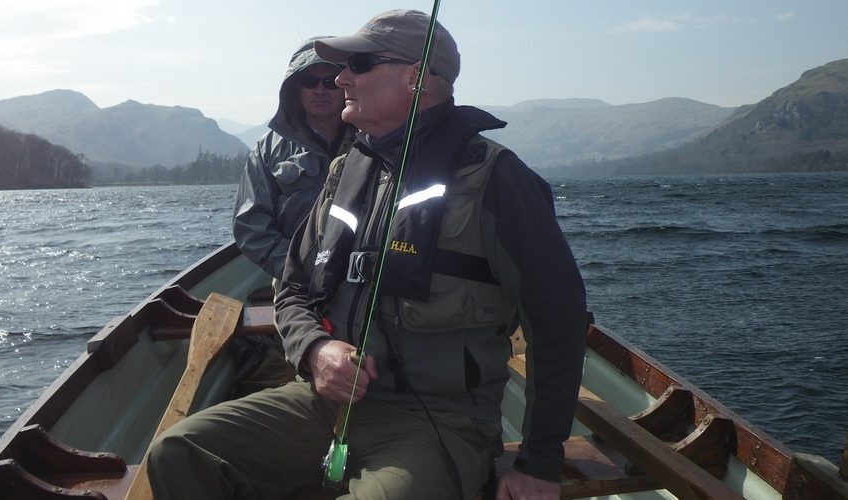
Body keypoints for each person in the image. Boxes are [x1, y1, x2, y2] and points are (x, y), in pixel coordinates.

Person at [146, 9, 587, 500]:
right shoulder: (346, 173)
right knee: (179, 452)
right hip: (321, 403)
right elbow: (292, 288)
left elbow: (558, 323)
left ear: (416, 79)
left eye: (358, 65)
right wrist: (315, 350)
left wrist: (540, 464)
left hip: (436, 420)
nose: (339, 79)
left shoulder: (498, 180)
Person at [227, 38, 357, 396]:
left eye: (329, 82)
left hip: (363, 280)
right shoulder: (265, 150)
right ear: (294, 90)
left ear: (345, 86)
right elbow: (250, 226)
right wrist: (302, 271)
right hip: (295, 285)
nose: (320, 90)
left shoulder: (376, 139)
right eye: (308, 82)